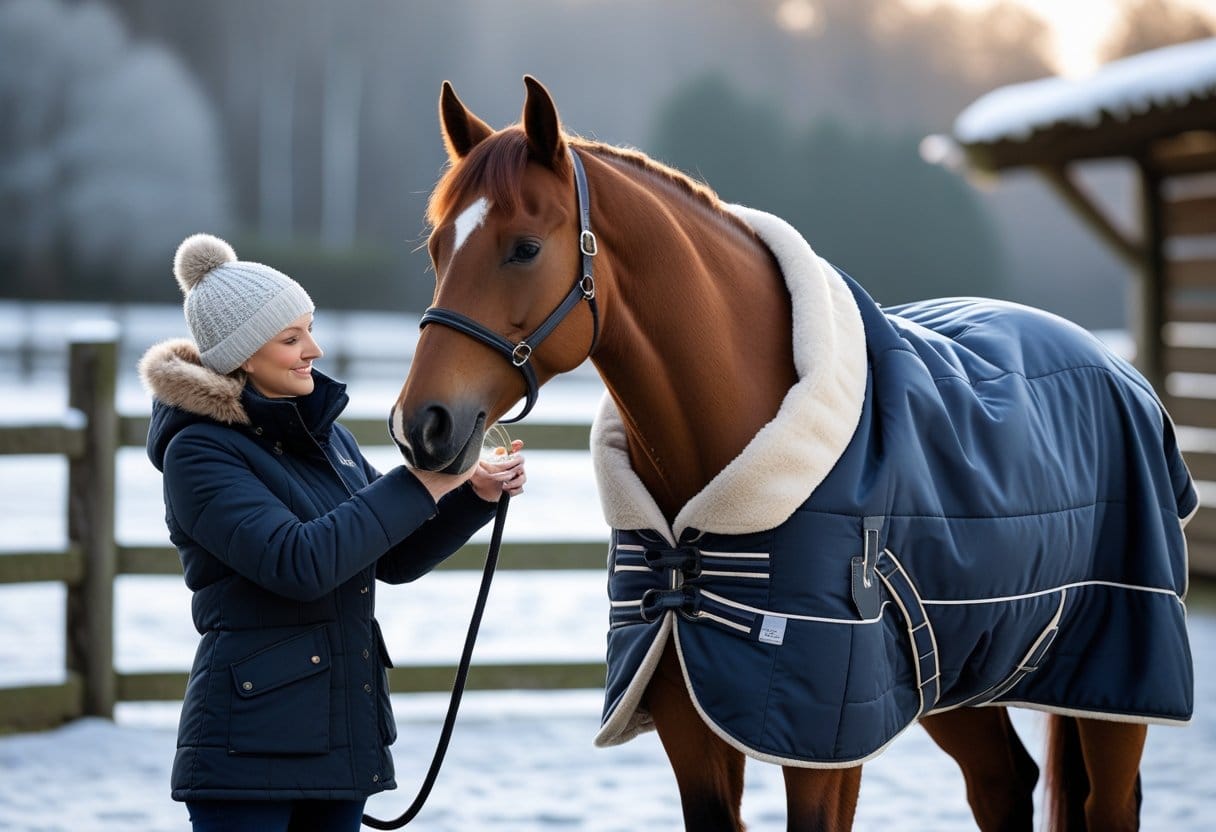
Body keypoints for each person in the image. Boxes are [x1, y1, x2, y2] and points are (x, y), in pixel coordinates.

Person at [138, 233, 526, 832]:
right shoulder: (200, 453)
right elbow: (300, 563)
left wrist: (471, 497)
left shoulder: (325, 439)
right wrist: (422, 484)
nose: (313, 350)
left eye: (309, 329)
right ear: (241, 355)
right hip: (247, 753)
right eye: (291, 339)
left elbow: (389, 556)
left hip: (341, 737)